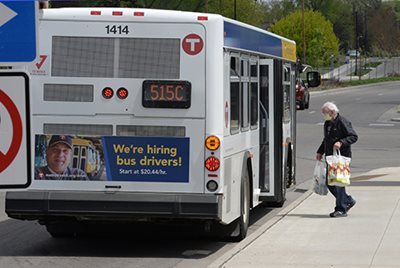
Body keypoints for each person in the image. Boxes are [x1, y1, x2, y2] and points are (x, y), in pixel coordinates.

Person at [316, 102, 358, 217]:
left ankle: (341, 209)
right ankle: (347, 200)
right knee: (330, 182)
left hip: (341, 157)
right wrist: (320, 151)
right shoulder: (327, 123)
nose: (324, 115)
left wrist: (341, 142)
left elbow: (353, 136)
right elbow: (326, 139)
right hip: (330, 157)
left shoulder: (343, 122)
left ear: (332, 112)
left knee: (339, 182)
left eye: (325, 113)